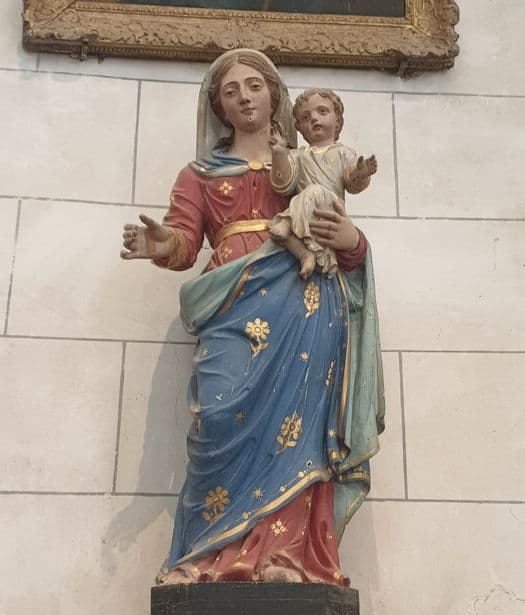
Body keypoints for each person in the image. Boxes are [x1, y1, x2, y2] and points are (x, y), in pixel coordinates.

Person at [121, 49, 384, 586]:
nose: (243, 97)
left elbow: (344, 240)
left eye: (254, 86)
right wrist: (161, 244)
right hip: (230, 300)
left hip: (306, 302)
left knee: (302, 430)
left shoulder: (307, 165)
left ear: (274, 95)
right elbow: (183, 241)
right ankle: (200, 558)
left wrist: (351, 239)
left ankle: (286, 558)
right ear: (218, 107)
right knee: (217, 416)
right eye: (230, 91)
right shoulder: (200, 173)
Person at [269, 88, 377, 279]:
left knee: (315, 191)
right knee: (288, 233)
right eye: (305, 117)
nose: (314, 118)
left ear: (338, 121)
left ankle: (286, 221)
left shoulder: (343, 153)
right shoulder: (297, 155)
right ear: (299, 127)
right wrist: (279, 153)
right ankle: (307, 256)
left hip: (329, 211)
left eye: (322, 111)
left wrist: (361, 173)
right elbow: (283, 184)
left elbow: (352, 182)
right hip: (305, 215)